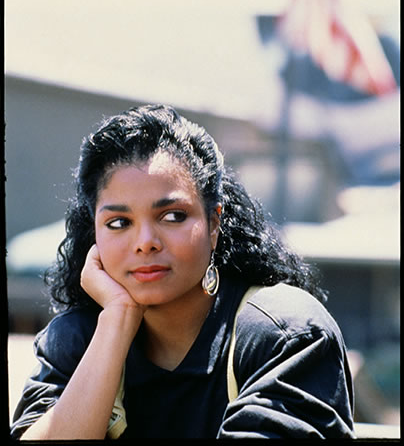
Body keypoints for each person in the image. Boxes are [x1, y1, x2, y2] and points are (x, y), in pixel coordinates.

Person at [10, 104, 355, 439]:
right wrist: (117, 319)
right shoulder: (79, 338)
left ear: (214, 223)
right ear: (95, 234)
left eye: (172, 216)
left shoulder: (284, 335)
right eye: (119, 223)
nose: (145, 242)